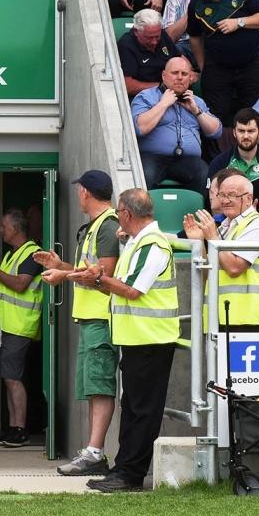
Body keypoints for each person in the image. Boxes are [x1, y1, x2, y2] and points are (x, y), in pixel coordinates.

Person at [71, 189, 179, 492]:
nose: (117, 217)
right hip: (137, 339)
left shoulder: (153, 244)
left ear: (128, 214)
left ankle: (131, 475)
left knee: (142, 411)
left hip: (151, 340)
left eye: (119, 212)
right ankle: (122, 469)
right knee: (132, 408)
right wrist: (99, 280)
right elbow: (123, 287)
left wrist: (96, 279)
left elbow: (132, 290)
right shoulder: (138, 242)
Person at [36, 170, 119, 476]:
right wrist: (62, 266)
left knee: (99, 387)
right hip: (90, 319)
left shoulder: (108, 226)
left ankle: (95, 452)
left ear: (85, 192)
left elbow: (102, 275)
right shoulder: (97, 225)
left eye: (79, 191)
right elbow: (87, 271)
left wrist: (62, 276)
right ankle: (92, 451)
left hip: (102, 318)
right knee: (92, 388)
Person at [184, 172, 259, 331]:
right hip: (222, 318)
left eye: (232, 195)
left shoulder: (257, 226)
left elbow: (234, 268)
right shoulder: (224, 227)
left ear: (248, 198)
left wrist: (212, 237)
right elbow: (209, 274)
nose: (225, 200)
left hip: (247, 321)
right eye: (222, 195)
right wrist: (200, 241)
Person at [188, 0, 259, 128]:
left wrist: (239, 22)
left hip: (250, 65)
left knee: (254, 116)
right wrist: (203, 66)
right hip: (217, 68)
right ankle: (218, 154)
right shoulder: (195, 4)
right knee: (215, 116)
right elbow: (194, 36)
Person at [0, 209, 43, 448]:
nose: (0, 230)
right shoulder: (12, 254)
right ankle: (13, 427)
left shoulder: (33, 253)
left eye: (3, 226)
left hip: (19, 325)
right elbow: (4, 285)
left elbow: (20, 285)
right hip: (4, 325)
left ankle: (20, 428)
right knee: (8, 377)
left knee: (13, 378)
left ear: (15, 229)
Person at [131, 55, 222, 193]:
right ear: (164, 75)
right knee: (145, 174)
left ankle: (193, 213)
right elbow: (140, 128)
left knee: (203, 172)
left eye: (184, 74)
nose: (180, 77)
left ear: (190, 78)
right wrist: (163, 104)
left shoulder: (196, 101)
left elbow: (216, 131)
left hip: (187, 160)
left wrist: (196, 111)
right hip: (152, 157)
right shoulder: (146, 96)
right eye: (175, 73)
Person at [207, 109, 259, 241]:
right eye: (241, 131)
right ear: (234, 132)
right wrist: (238, 219)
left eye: (251, 131)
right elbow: (216, 208)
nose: (246, 136)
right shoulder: (220, 162)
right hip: (228, 220)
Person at [117, 8, 179, 98]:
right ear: (136, 32)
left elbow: (179, 57)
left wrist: (188, 73)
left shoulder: (162, 34)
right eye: (148, 38)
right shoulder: (126, 45)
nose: (154, 42)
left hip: (172, 90)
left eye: (157, 37)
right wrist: (163, 86)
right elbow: (128, 86)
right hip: (145, 96)